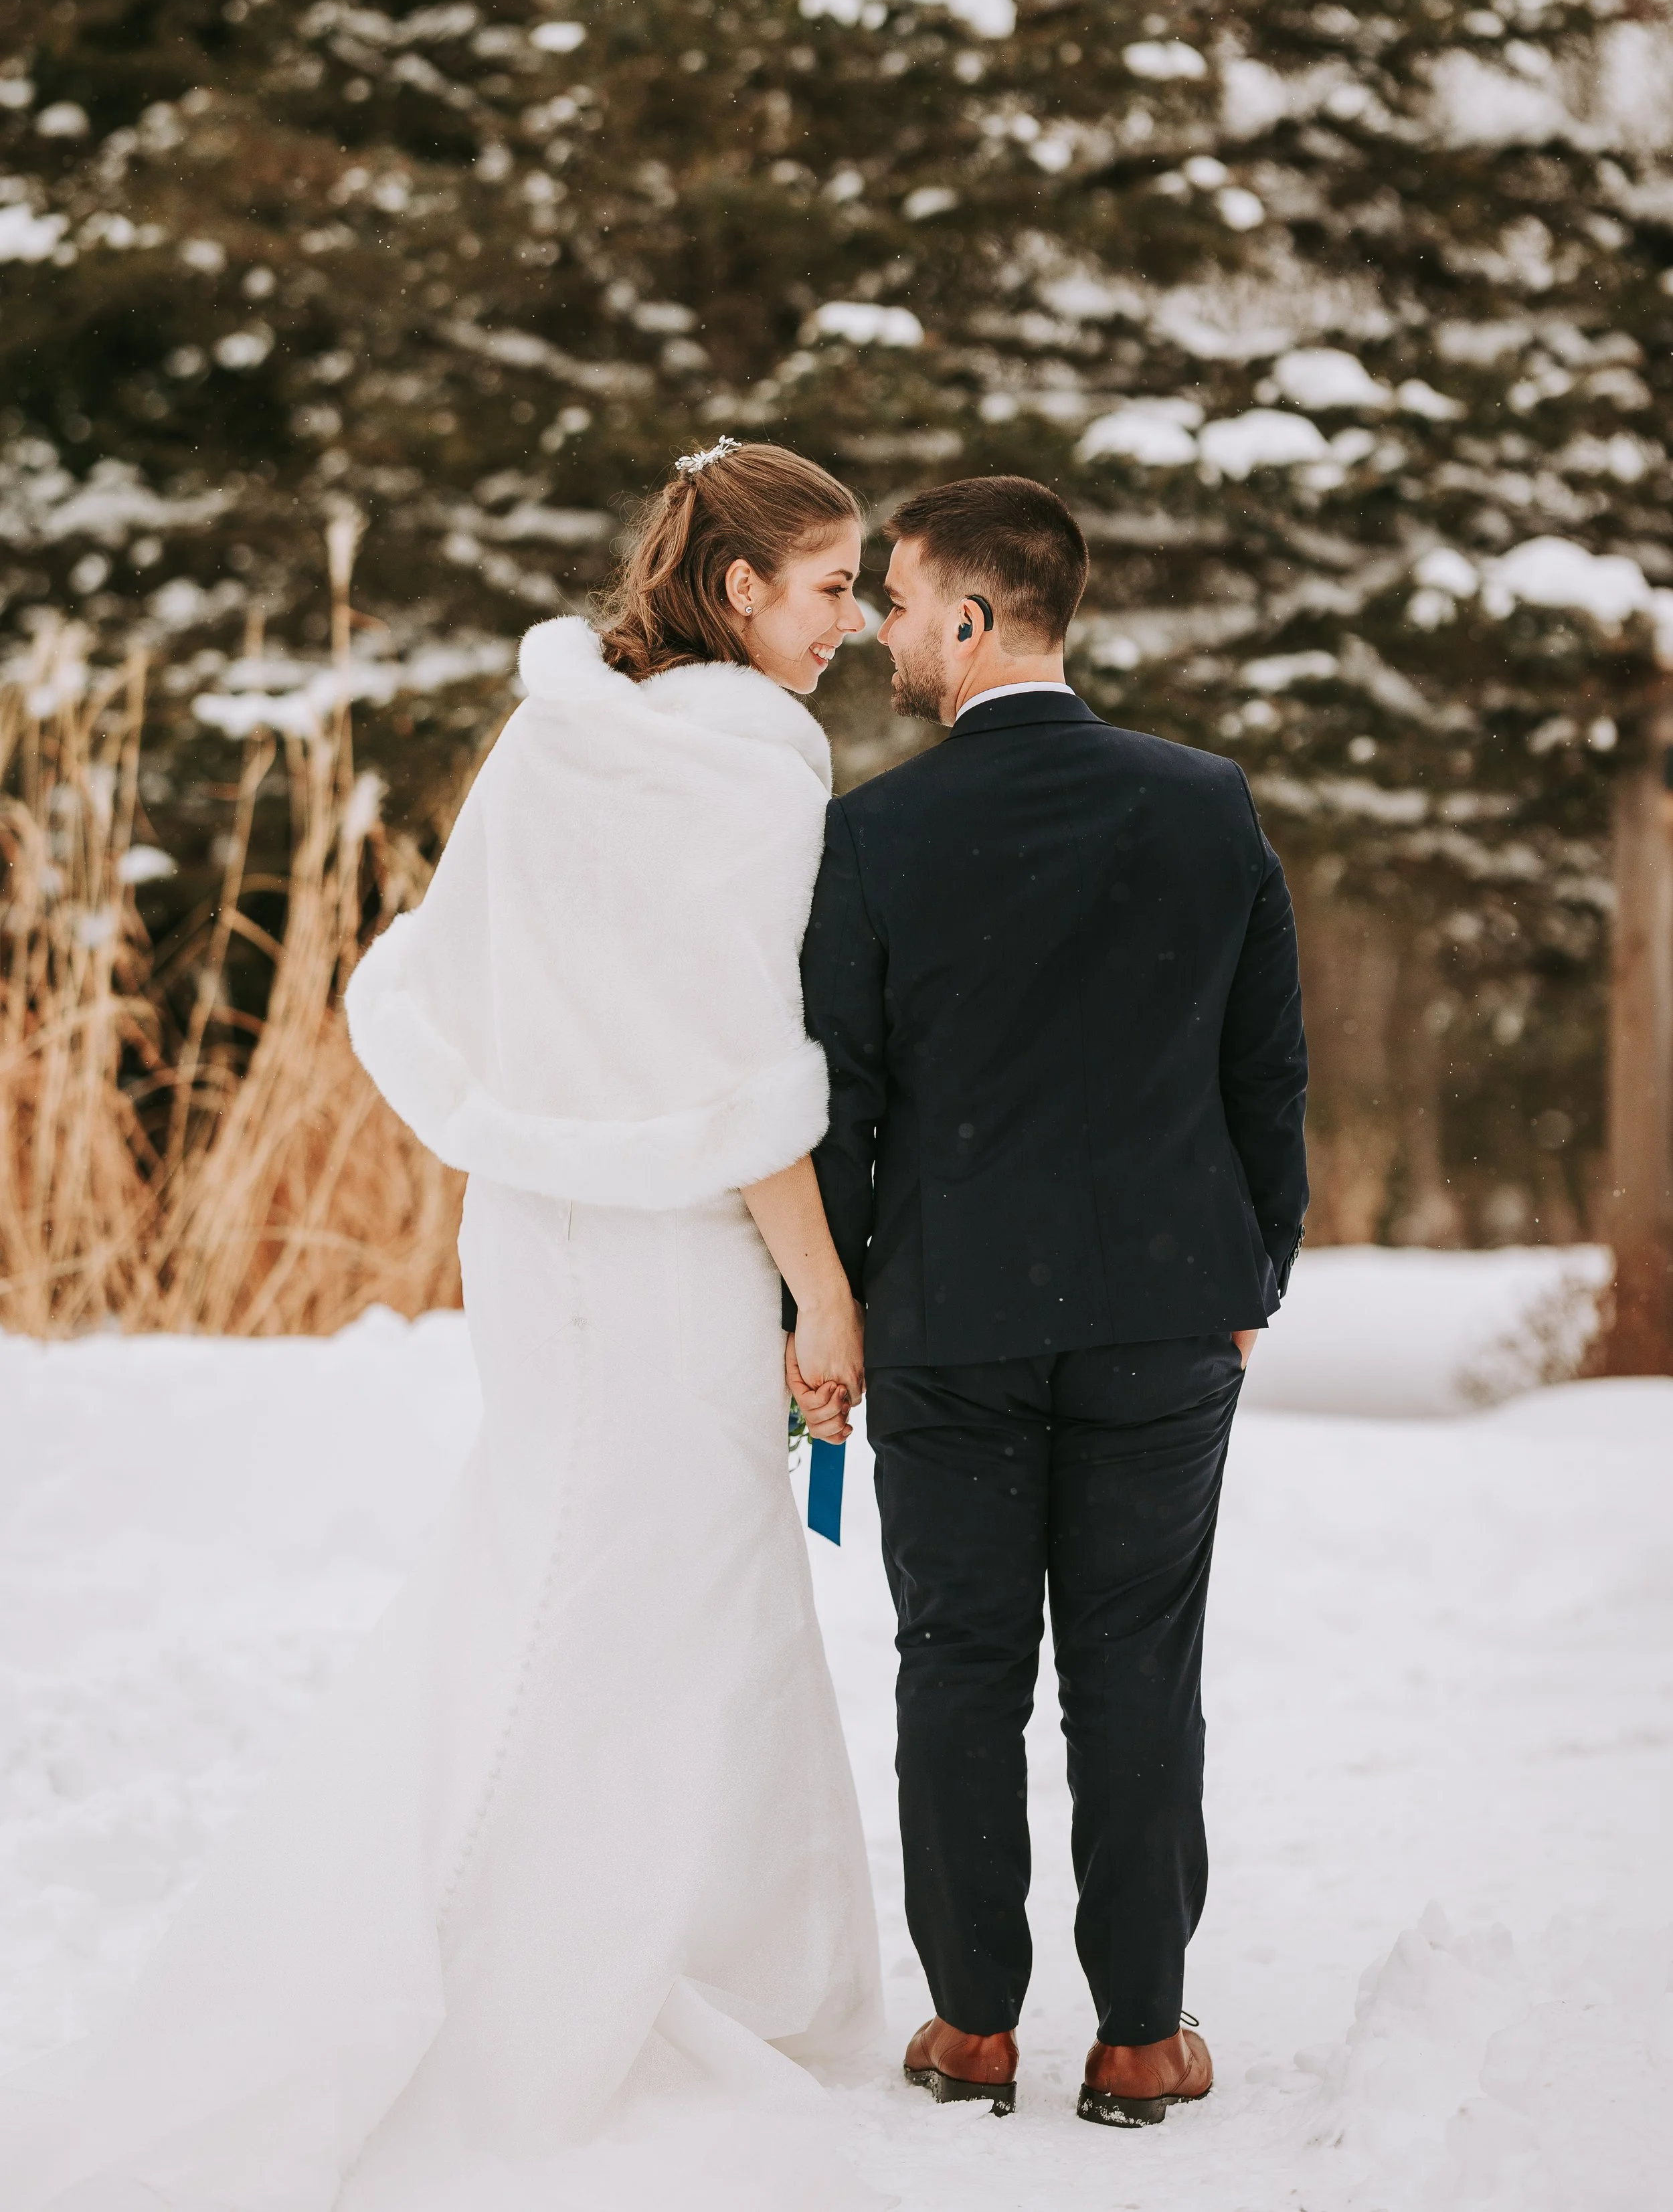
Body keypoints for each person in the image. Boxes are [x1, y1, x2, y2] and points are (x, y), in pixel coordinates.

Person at [0, 439, 883, 2212]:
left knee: (566, 1573)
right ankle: (507, 1999)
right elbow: (733, 1071)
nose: (851, 629)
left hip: (531, 1225)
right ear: (735, 591)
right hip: (666, 1249)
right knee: (643, 1598)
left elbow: (422, 969)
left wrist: (553, 1110)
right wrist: (823, 1283)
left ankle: (662, 1944)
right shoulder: (749, 769)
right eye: (827, 587)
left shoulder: (559, 732)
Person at [786, 474, 1308, 2129]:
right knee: (1137, 1667)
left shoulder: (873, 834)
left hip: (949, 1319)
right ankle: (1143, 2038)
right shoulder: (1204, 803)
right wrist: (1250, 1274)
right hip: (1165, 1315)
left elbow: (844, 1101)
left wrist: (841, 1306)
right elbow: (1263, 1072)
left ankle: (973, 2030)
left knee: (956, 1661)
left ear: (972, 619)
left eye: (896, 600)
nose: (876, 629)